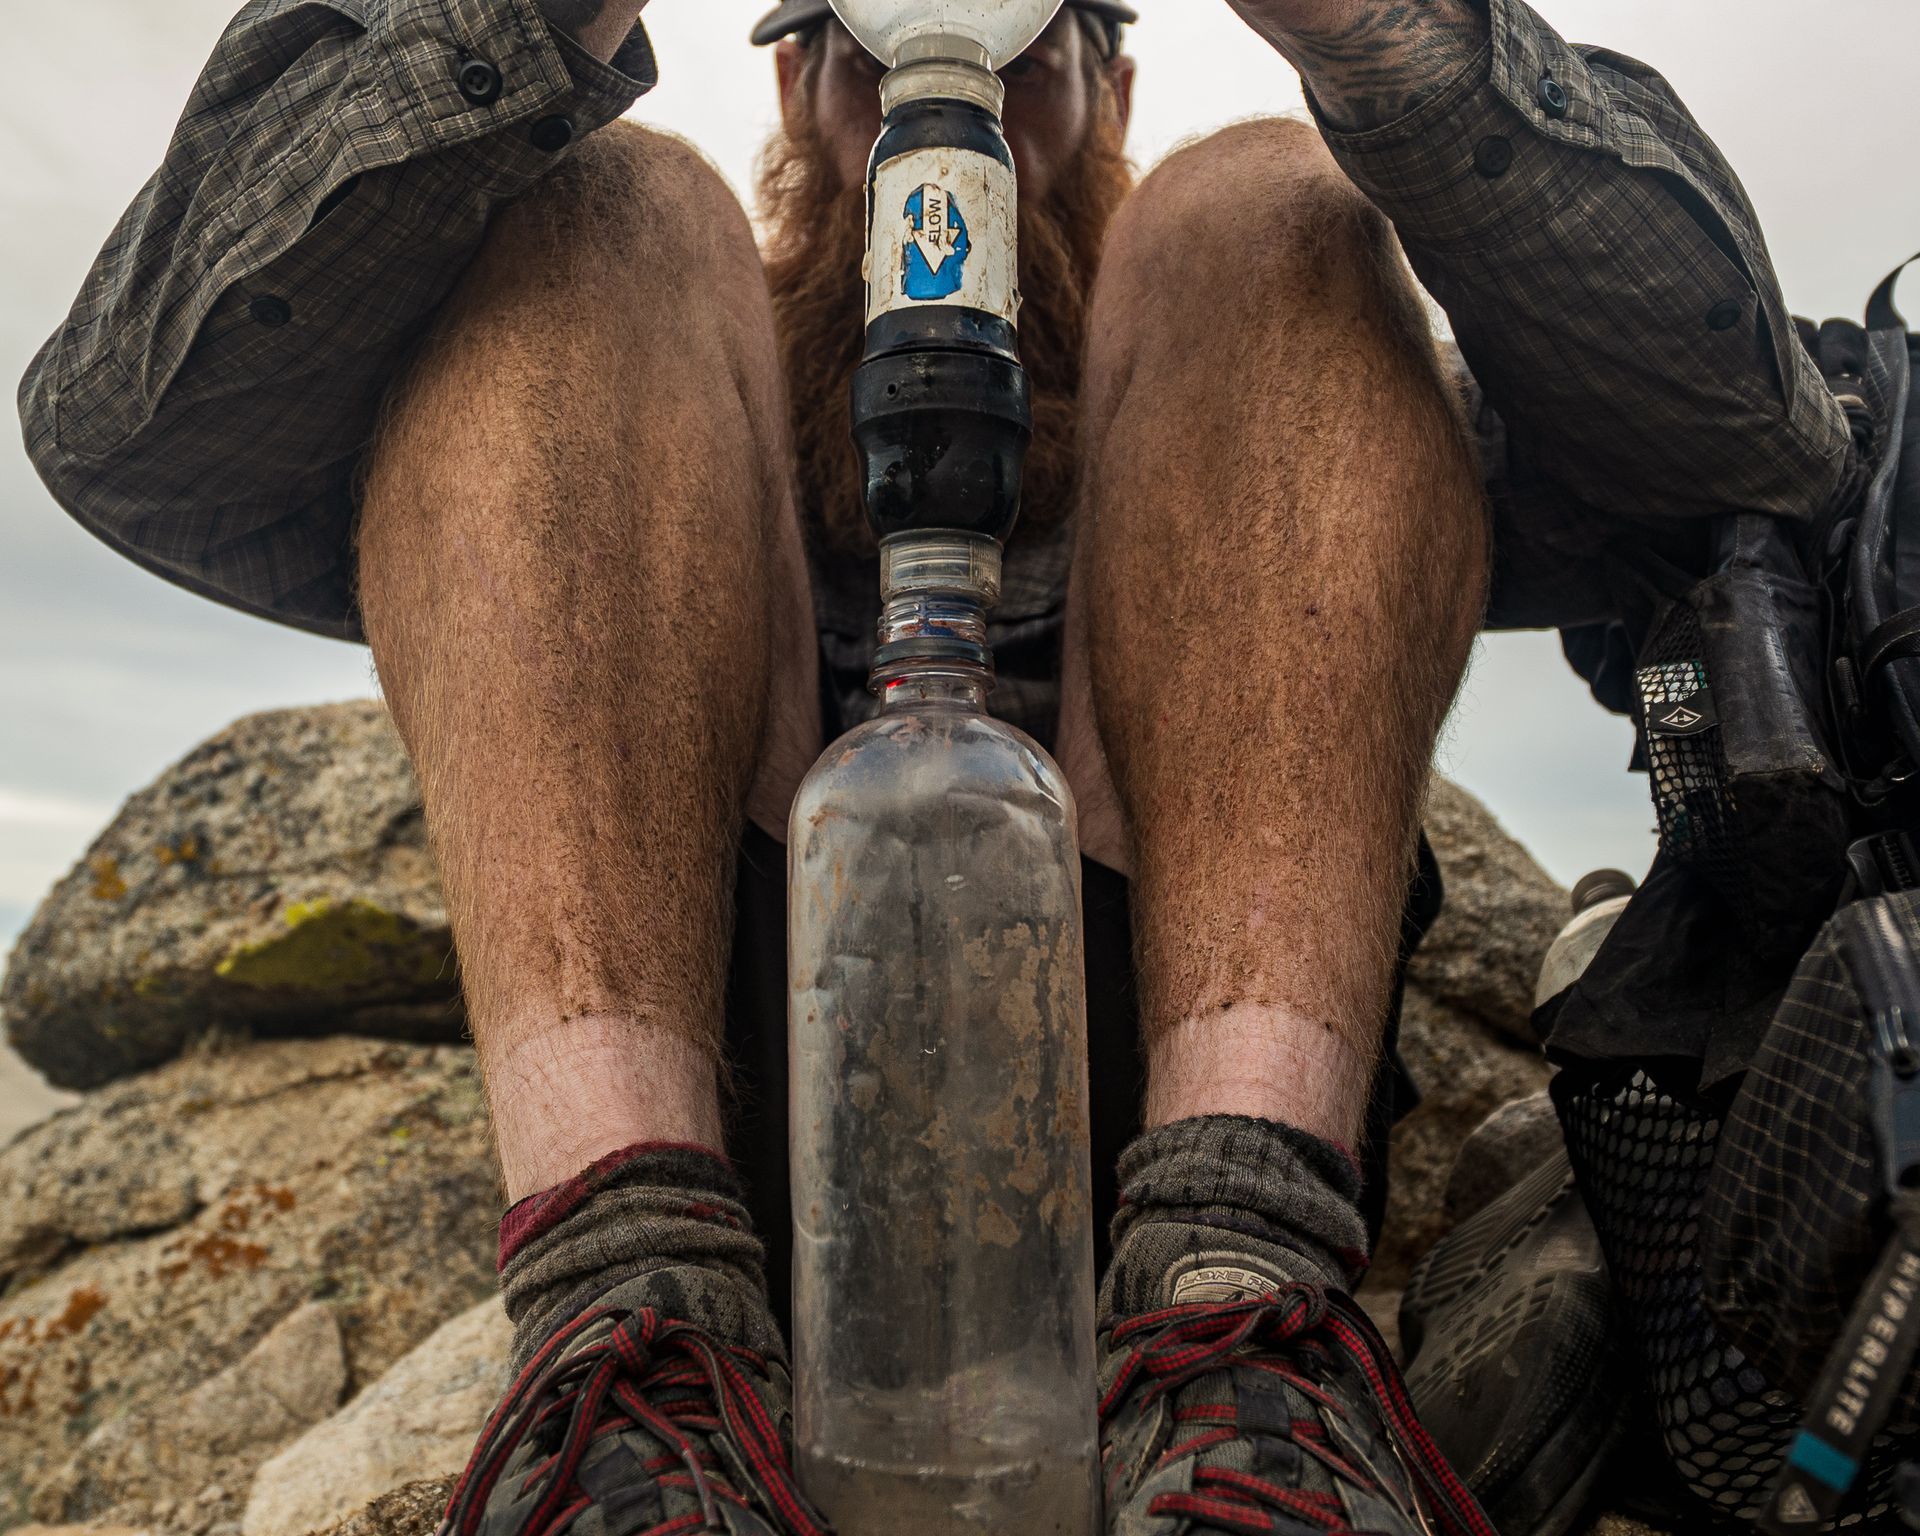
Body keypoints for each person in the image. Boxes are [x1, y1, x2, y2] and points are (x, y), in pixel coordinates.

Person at [19, 0, 1855, 1531]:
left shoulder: (1271, 390)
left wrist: (1401, 50)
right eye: (850, 44)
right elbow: (131, 434)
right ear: (785, 77)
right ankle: (623, 1350)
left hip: (1187, 1118)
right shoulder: (652, 407)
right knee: (598, 203)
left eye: (1028, 49)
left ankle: (1246, 1341)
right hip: (719, 1110)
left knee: (1269, 206)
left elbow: (1743, 430)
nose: (925, 113)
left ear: (1114, 81)